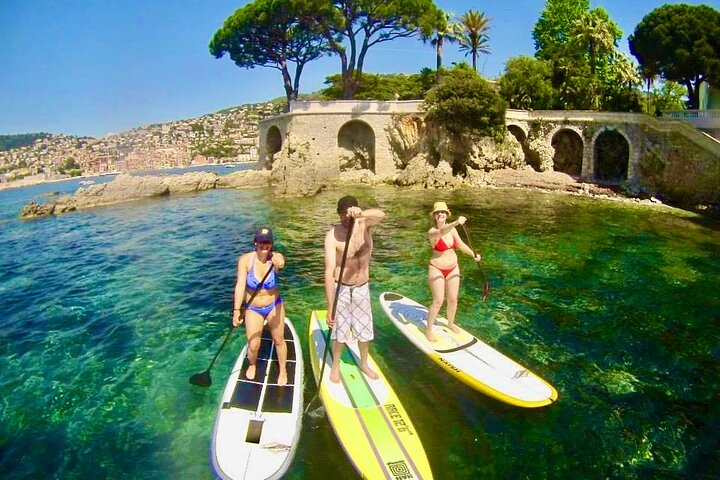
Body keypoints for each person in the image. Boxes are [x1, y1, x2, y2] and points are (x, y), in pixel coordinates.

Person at [324, 195, 385, 383]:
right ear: (338, 214)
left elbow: (382, 214)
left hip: (362, 288)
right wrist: (330, 305)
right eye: (342, 213)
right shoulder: (333, 235)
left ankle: (364, 363)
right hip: (341, 288)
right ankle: (335, 367)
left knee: (364, 330)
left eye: (348, 212)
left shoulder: (365, 225)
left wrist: (361, 214)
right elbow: (328, 271)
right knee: (340, 332)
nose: (346, 217)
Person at [232, 227, 288, 386]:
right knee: (254, 344)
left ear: (272, 243)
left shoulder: (275, 258)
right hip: (253, 308)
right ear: (255, 242)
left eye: (268, 242)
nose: (265, 245)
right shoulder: (245, 260)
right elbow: (240, 285)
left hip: (274, 305)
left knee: (279, 339)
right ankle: (252, 364)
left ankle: (283, 370)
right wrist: (236, 310)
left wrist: (279, 262)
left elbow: (281, 262)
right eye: (261, 242)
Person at [425, 201, 481, 342]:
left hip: (453, 268)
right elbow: (441, 231)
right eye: (438, 212)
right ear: (434, 215)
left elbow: (461, 245)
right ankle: (428, 330)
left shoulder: (453, 230)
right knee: (438, 301)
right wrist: (456, 222)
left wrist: (473, 255)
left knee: (453, 299)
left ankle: (450, 323)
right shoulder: (432, 232)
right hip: (436, 268)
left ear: (446, 214)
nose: (440, 214)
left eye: (443, 212)